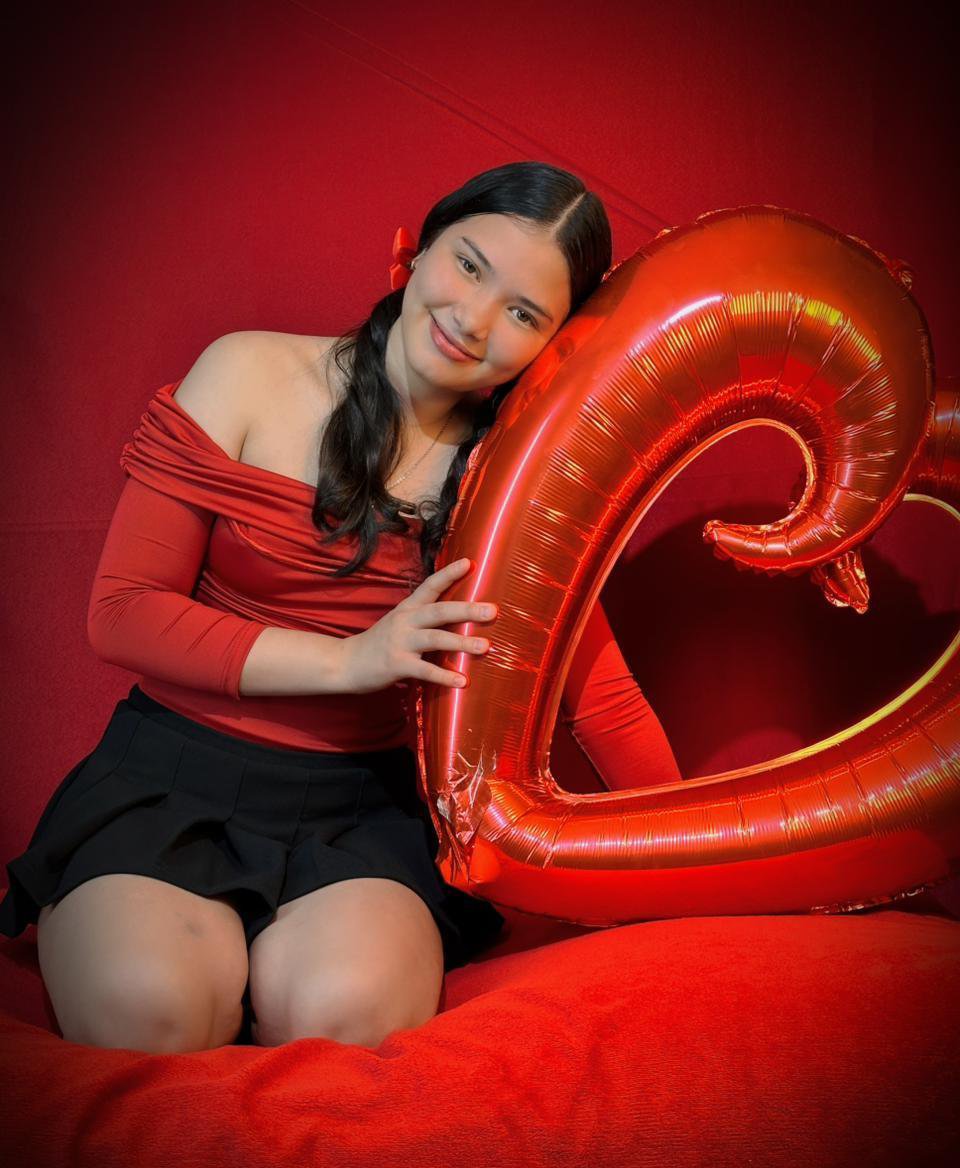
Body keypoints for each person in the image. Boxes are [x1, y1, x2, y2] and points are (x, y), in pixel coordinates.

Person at [0, 161, 681, 1055]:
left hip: (363, 817)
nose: (474, 321)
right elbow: (122, 611)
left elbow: (604, 701)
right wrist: (349, 659)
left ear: (553, 344)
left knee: (344, 1018)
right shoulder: (246, 370)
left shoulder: (515, 481)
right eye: (469, 265)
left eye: (523, 313)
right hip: (170, 779)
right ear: (419, 247)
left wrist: (695, 875)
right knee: (150, 1012)